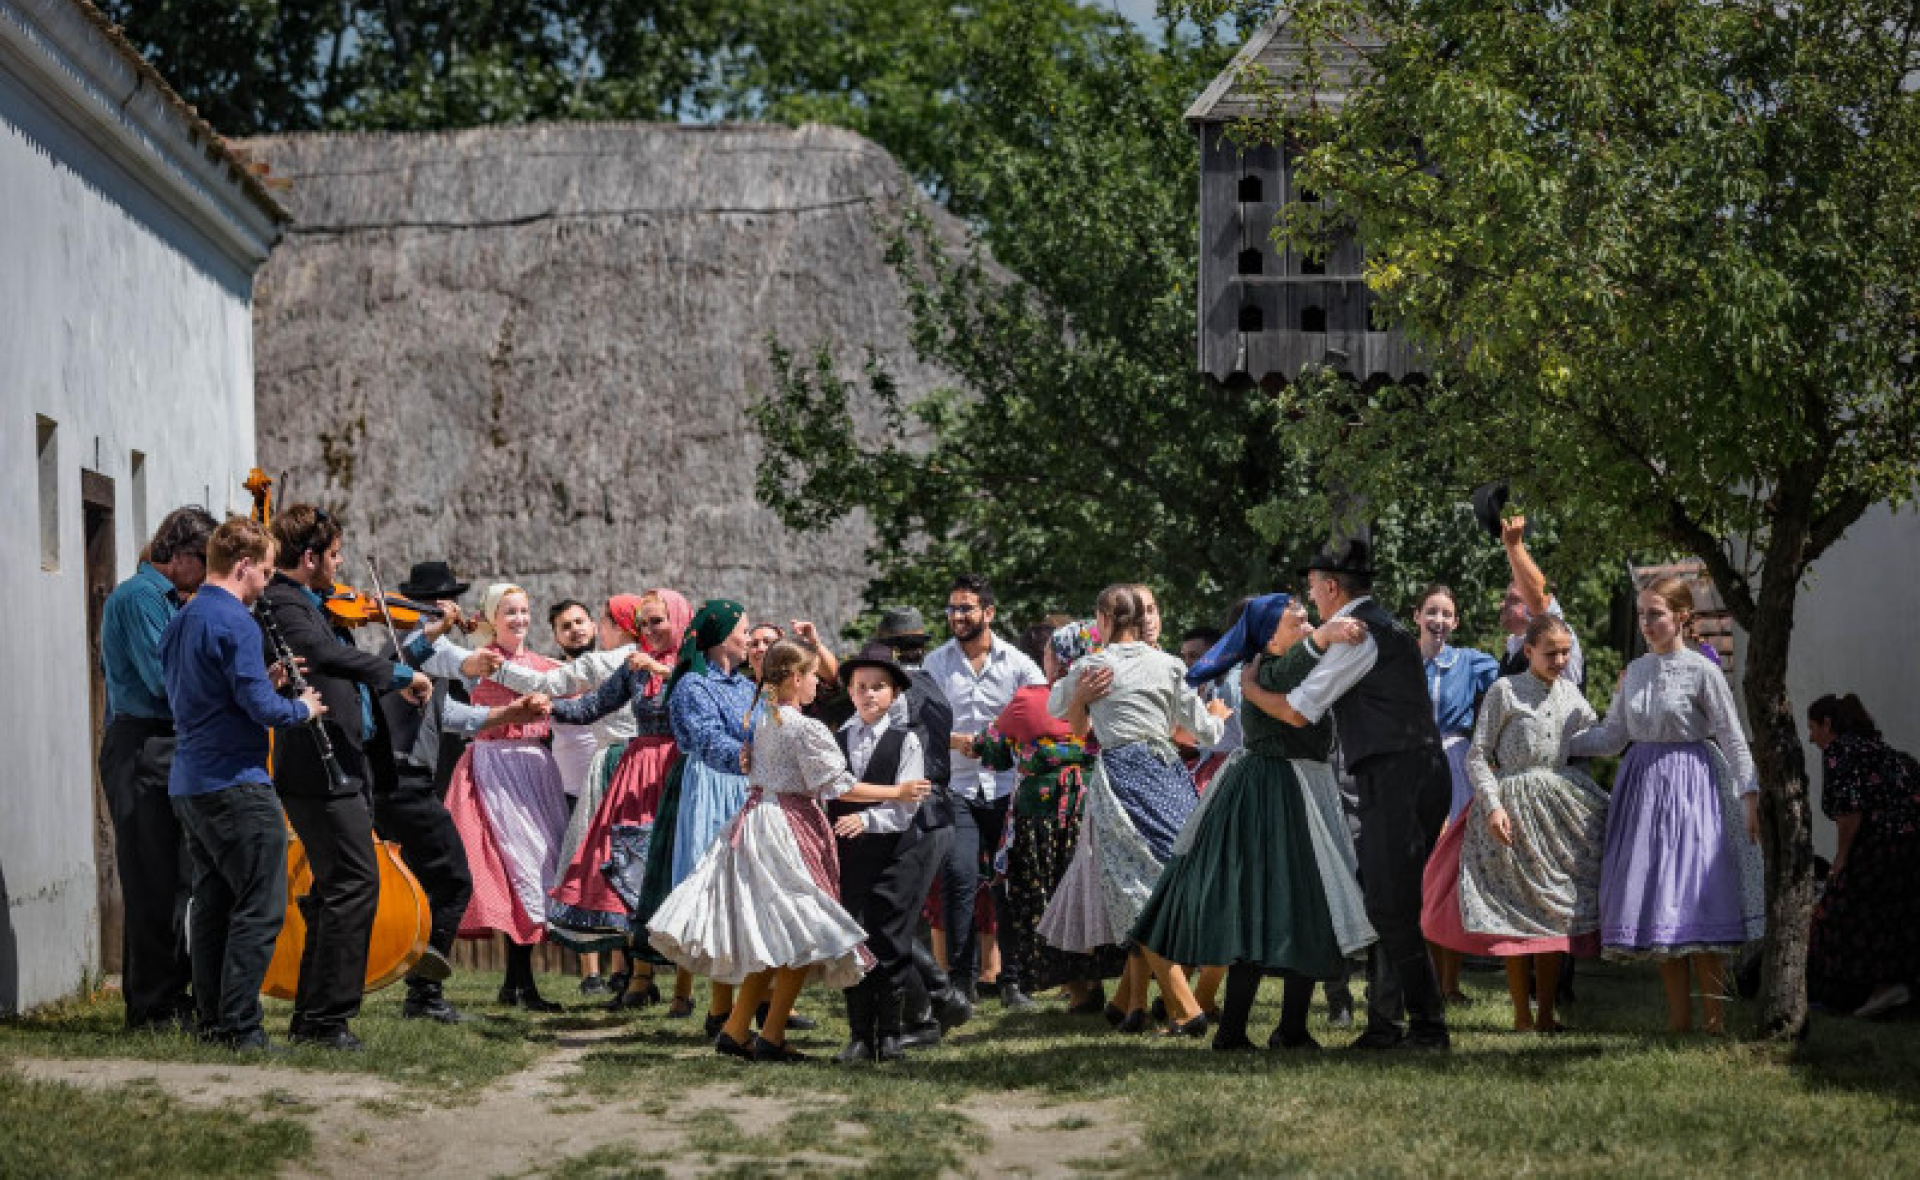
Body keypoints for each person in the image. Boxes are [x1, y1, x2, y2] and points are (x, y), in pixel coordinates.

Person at [648, 639, 929, 1062]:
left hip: (758, 819)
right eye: (814, 675)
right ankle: (768, 1031)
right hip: (785, 826)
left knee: (780, 931)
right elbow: (839, 786)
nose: (818, 683)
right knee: (801, 928)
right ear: (796, 679)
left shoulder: (766, 719)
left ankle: (741, 1027)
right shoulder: (802, 726)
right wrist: (899, 790)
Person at [1135, 594, 1375, 1051]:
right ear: (1268, 633)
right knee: (1273, 906)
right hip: (1273, 793)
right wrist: (1323, 636)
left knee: (1304, 905)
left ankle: (1288, 1028)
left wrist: (1324, 639)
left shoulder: (1275, 670)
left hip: (1300, 786)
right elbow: (1283, 676)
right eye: (1294, 614)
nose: (1304, 614)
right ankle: (1237, 1030)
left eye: (1306, 611)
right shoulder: (1264, 667)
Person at [263, 505, 434, 1050]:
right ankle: (326, 1020)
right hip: (317, 768)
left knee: (337, 888)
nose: (340, 565)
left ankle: (313, 1016)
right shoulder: (284, 602)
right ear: (309, 557)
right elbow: (318, 654)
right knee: (354, 885)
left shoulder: (311, 603)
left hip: (340, 763)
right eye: (334, 554)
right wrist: (399, 671)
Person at [1273, 539, 1455, 1052]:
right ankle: (1389, 1023)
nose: (1311, 599)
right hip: (1410, 769)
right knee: (1389, 902)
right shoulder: (1381, 625)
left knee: (1391, 905)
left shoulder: (1358, 635)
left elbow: (1298, 709)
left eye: (1313, 588)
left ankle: (1426, 1027)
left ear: (1332, 588)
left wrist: (1251, 686)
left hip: (1397, 774)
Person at [1569, 575, 1763, 1034]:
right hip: (1642, 790)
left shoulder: (1702, 670)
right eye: (1642, 614)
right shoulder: (1636, 670)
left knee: (1698, 897)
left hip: (1694, 788)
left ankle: (1714, 1022)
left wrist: (1749, 796)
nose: (1646, 623)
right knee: (1661, 905)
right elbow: (1614, 736)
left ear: (1681, 616)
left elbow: (1733, 738)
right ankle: (1679, 1022)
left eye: (1655, 613)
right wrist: (1560, 737)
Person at [161, 516, 322, 1051]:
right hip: (236, 781)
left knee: (211, 906)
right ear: (244, 565)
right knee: (261, 903)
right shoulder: (236, 621)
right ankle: (240, 1026)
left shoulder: (182, 618)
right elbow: (261, 710)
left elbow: (202, 692)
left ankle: (212, 1021)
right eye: (267, 572)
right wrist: (300, 706)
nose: (268, 584)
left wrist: (263, 681)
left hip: (189, 780)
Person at [1041, 584, 1231, 1036]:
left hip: (1121, 778)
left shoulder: (1092, 665)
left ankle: (1185, 1008)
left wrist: (1079, 696)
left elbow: (1055, 708)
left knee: (1135, 894)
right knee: (1169, 885)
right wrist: (1219, 714)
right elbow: (1206, 733)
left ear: (1105, 620)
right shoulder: (1168, 664)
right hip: (1167, 775)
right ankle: (1134, 1003)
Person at [1420, 615, 1609, 1033]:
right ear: (1528, 652)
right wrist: (1491, 806)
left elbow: (1596, 738)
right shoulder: (1505, 691)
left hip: (1555, 808)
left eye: (1565, 653)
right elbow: (1478, 754)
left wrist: (1630, 712)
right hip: (1512, 807)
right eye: (1551, 652)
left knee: (1553, 910)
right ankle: (1522, 1013)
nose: (1560, 660)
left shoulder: (1571, 697)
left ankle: (1545, 1014)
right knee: (1517, 909)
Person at [378, 570, 547, 1024]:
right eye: (442, 602)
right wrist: (479, 661)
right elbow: (460, 662)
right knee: (453, 878)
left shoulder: (424, 654)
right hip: (401, 776)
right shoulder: (407, 649)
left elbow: (451, 713)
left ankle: (422, 991)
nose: (450, 609)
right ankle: (423, 991)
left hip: (409, 778)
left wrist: (508, 712)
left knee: (440, 879)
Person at [536, 591, 692, 1005]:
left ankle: (685, 990)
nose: (650, 630)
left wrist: (661, 667)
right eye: (643, 624)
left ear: (678, 619)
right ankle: (640, 980)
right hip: (639, 769)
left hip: (683, 771)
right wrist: (545, 707)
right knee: (634, 866)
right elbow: (591, 706)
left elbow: (701, 697)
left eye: (658, 621)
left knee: (685, 870)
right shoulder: (632, 667)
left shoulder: (696, 661)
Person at [98, 504, 217, 1033]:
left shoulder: (170, 599)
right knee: (151, 879)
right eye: (205, 563)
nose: (208, 576)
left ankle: (172, 994)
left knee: (176, 879)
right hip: (143, 744)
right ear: (180, 555)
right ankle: (149, 1007)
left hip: (165, 743)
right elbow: (163, 680)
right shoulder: (139, 597)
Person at [976, 622, 1122, 1015]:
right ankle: (1101, 983)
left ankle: (1077, 989)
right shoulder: (1111, 697)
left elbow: (993, 751)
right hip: (1097, 808)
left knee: (1048, 897)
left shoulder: (1031, 699)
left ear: (1057, 658)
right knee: (1095, 894)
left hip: (1042, 817)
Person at [441, 583, 572, 1011]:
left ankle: (518, 982)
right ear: (493, 618)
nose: (518, 619)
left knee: (536, 869)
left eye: (524, 611)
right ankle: (520, 984)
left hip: (534, 767)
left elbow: (570, 683)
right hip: (498, 766)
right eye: (509, 612)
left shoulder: (540, 666)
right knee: (513, 866)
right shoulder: (485, 663)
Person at [924, 573, 1047, 1006]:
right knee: (958, 877)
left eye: (966, 608)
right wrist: (959, 742)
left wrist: (995, 741)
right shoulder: (934, 665)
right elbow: (920, 723)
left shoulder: (1019, 665)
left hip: (1008, 787)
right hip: (955, 788)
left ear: (988, 613)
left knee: (1009, 882)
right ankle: (961, 982)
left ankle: (1013, 981)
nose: (957, 616)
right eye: (952, 608)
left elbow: (1039, 720)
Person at [829, 643, 942, 1063]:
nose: (870, 694)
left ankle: (891, 1033)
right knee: (855, 937)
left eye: (879, 687)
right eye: (862, 687)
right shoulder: (836, 738)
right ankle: (860, 1034)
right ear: (851, 692)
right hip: (849, 856)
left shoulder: (906, 740)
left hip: (895, 853)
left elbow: (906, 804)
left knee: (892, 941)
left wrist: (867, 820)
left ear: (895, 694)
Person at [868, 608, 970, 1048]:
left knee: (884, 921)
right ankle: (937, 1000)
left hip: (909, 812)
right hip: (938, 810)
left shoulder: (896, 695)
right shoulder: (935, 687)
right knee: (895, 919)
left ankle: (929, 1010)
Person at [1413, 583, 1502, 1004]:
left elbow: (1512, 682)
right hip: (1411, 762)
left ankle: (1449, 983)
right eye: (1432, 612)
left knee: (1451, 875)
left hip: (1455, 762)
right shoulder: (1403, 662)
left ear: (1457, 622)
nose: (1440, 622)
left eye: (1448, 615)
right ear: (1417, 617)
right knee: (1419, 875)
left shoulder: (1472, 663)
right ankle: (1420, 980)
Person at [1804, 695, 1918, 1018]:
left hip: (1884, 844)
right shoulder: (1874, 749)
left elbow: (1849, 813)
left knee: (1842, 909)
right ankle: (1894, 985)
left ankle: (1865, 990)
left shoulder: (1840, 752)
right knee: (1894, 914)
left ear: (1828, 724)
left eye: (1812, 728)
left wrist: (1841, 858)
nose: (1811, 738)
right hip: (1909, 843)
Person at [1494, 515, 1585, 691]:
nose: (1502, 605)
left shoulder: (1558, 632)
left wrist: (1514, 545)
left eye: (1513, 600)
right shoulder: (1514, 646)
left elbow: (1541, 604)